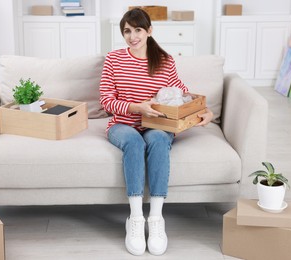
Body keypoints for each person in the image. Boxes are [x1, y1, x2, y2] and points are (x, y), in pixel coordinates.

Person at [99, 8, 213, 256]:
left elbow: (183, 93)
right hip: (123, 124)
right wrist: (136, 108)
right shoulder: (114, 59)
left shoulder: (165, 61)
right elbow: (106, 101)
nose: (132, 36)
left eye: (138, 29)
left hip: (158, 125)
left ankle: (157, 219)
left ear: (149, 31)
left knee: (159, 141)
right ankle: (136, 220)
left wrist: (206, 110)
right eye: (127, 31)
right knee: (134, 143)